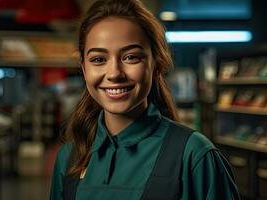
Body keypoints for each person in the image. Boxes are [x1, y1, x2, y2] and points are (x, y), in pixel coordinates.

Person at [50, 0, 240, 199]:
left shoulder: (194, 156)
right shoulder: (70, 157)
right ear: (83, 68)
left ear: (156, 65)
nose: (114, 73)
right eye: (98, 59)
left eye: (131, 57)